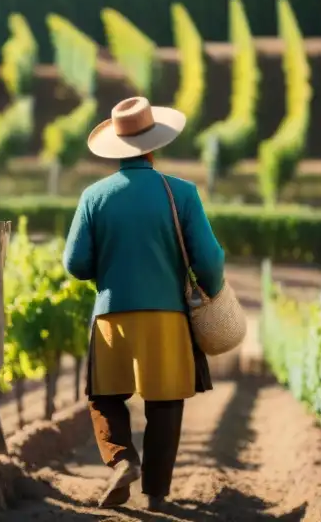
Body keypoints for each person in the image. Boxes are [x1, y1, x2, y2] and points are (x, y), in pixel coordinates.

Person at [63, 96, 225, 511]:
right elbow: (208, 260)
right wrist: (212, 288)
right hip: (167, 317)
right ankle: (155, 494)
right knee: (165, 402)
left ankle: (120, 460)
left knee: (104, 396)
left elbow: (75, 263)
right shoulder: (182, 193)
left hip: (111, 316)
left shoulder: (94, 196)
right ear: (154, 144)